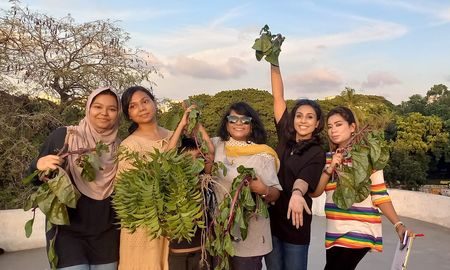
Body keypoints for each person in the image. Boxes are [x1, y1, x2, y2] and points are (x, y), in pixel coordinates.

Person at [29, 87, 121, 270]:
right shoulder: (64, 137)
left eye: (111, 109)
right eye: (98, 107)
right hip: (67, 233)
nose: (104, 113)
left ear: (118, 113)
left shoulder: (121, 147)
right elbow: (33, 178)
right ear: (88, 108)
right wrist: (38, 165)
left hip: (106, 235)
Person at [312, 106, 414, 270]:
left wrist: (398, 225)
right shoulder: (327, 160)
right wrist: (330, 168)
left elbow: (379, 195)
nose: (333, 130)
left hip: (360, 229)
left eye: (338, 124)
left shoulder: (369, 158)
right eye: (330, 126)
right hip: (334, 232)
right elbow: (315, 192)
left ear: (352, 127)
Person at [264, 64, 326, 270]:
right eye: (299, 115)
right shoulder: (285, 137)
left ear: (317, 123)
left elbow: (305, 178)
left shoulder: (317, 151)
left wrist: (298, 194)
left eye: (310, 117)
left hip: (296, 224)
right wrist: (274, 63)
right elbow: (278, 97)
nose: (303, 121)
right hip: (272, 221)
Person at [212, 102, 282, 270]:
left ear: (252, 125)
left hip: (251, 234)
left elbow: (275, 194)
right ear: (226, 123)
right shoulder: (216, 145)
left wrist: (262, 189)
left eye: (245, 120)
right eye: (233, 119)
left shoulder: (263, 153)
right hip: (220, 231)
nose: (238, 123)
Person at [117, 85, 175, 270]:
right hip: (144, 225)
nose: (141, 108)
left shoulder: (173, 136)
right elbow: (128, 191)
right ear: (129, 115)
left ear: (154, 103)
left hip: (173, 222)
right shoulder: (129, 146)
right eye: (133, 106)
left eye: (145, 101)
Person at [166, 106, 215, 270]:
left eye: (197, 158)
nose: (194, 163)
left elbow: (210, 151)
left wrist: (197, 123)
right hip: (178, 255)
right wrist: (182, 124)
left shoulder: (204, 181)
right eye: (188, 159)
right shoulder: (175, 183)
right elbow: (167, 156)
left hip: (202, 253)